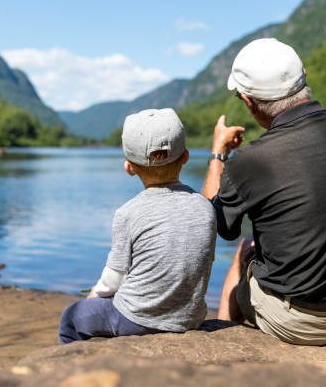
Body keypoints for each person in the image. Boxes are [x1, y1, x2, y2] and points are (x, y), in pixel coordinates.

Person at [201, 38, 326, 346]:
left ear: (249, 101)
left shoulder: (251, 160)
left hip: (300, 324)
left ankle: (223, 351)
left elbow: (214, 225)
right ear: (304, 75)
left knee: (243, 251)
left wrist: (218, 154)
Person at [59, 108, 216, 343]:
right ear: (185, 157)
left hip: (136, 319)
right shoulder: (205, 208)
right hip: (189, 318)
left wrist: (94, 296)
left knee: (71, 318)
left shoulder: (128, 213)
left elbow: (114, 279)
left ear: (129, 167)